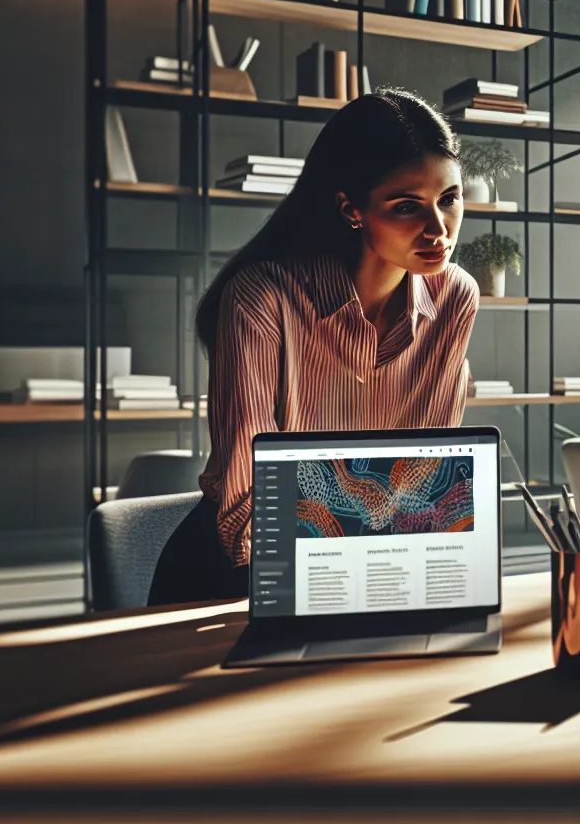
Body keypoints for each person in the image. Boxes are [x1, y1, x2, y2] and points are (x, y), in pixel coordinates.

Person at [148, 89, 480, 605]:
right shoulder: (262, 297)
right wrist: (327, 591)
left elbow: (425, 474)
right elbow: (247, 494)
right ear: (352, 208)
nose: (439, 229)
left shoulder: (455, 296)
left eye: (449, 199)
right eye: (406, 206)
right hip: (237, 573)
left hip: (372, 571)